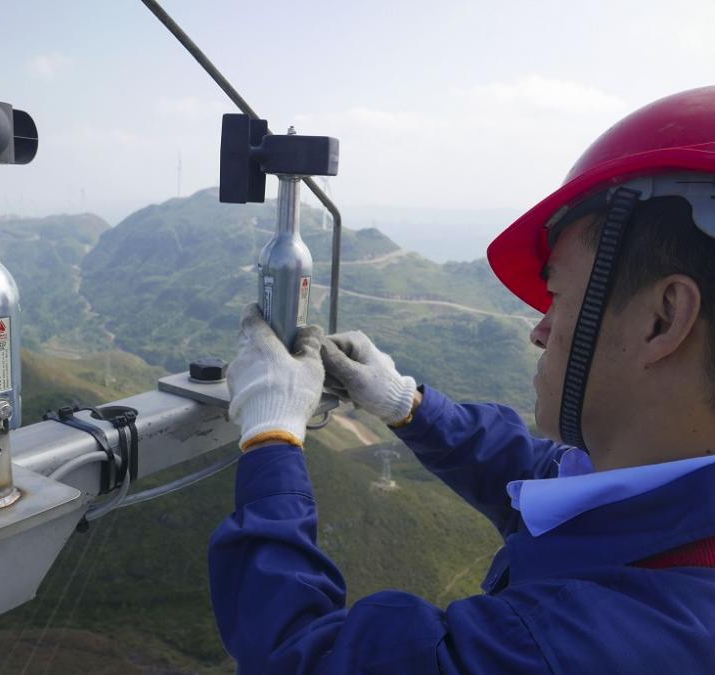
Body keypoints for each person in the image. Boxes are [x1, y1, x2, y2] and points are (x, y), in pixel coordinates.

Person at [209, 86, 715, 674]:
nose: (540, 330)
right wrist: (408, 404)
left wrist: (271, 437)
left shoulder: (581, 647)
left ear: (663, 318)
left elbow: (303, 658)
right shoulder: (669, 509)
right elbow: (541, 480)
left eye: (556, 296)